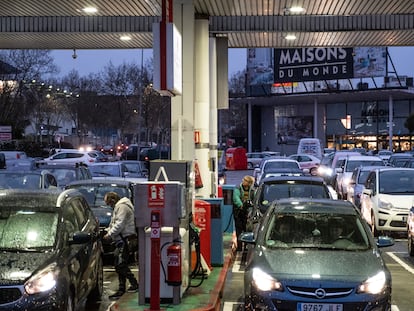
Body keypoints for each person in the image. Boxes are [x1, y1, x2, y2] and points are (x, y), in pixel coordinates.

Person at [103, 192, 139, 300]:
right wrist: (107, 231)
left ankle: (134, 283)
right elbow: (114, 224)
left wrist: (109, 234)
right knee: (119, 263)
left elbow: (119, 224)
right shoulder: (120, 207)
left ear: (113, 200)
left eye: (109, 203)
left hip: (125, 240)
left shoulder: (122, 207)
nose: (110, 206)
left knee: (120, 264)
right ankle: (122, 288)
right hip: (121, 240)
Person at [232, 175, 255, 251]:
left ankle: (246, 246)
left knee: (247, 229)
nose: (243, 181)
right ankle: (239, 247)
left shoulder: (252, 190)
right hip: (238, 212)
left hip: (248, 213)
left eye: (245, 180)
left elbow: (255, 199)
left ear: (249, 183)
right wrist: (241, 206)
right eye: (243, 179)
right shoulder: (238, 188)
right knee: (239, 229)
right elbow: (236, 198)